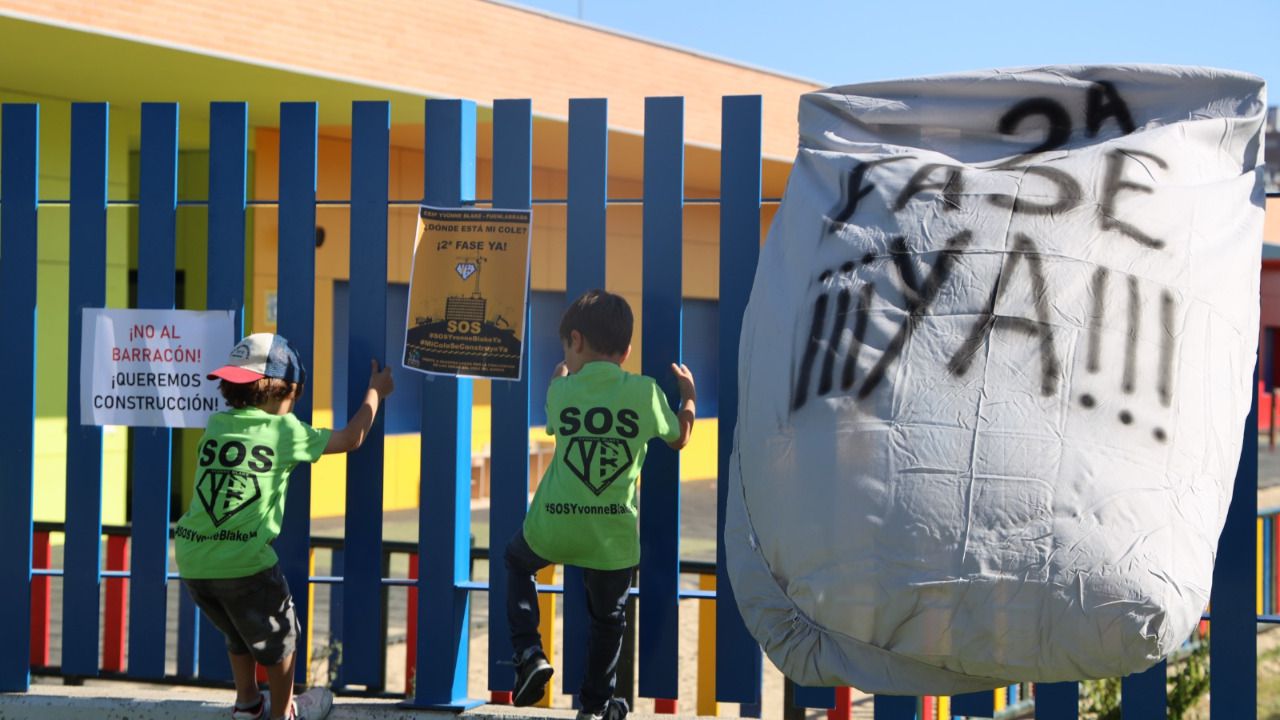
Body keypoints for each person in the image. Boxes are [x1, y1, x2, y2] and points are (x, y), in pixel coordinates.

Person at [175, 333, 394, 720]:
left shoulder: (217, 425)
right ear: (287, 391)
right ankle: (283, 712)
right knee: (283, 637)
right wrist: (376, 392)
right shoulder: (286, 430)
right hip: (244, 560)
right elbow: (351, 438)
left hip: (193, 559)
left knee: (238, 631)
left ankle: (247, 703)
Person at [506, 289, 696, 720]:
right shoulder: (645, 392)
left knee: (516, 562)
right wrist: (688, 396)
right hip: (611, 536)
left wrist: (560, 375)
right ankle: (594, 707)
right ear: (626, 352)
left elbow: (555, 408)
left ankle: (530, 653)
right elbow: (680, 438)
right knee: (609, 620)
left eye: (566, 350)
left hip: (553, 524)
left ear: (575, 340)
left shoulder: (561, 391)